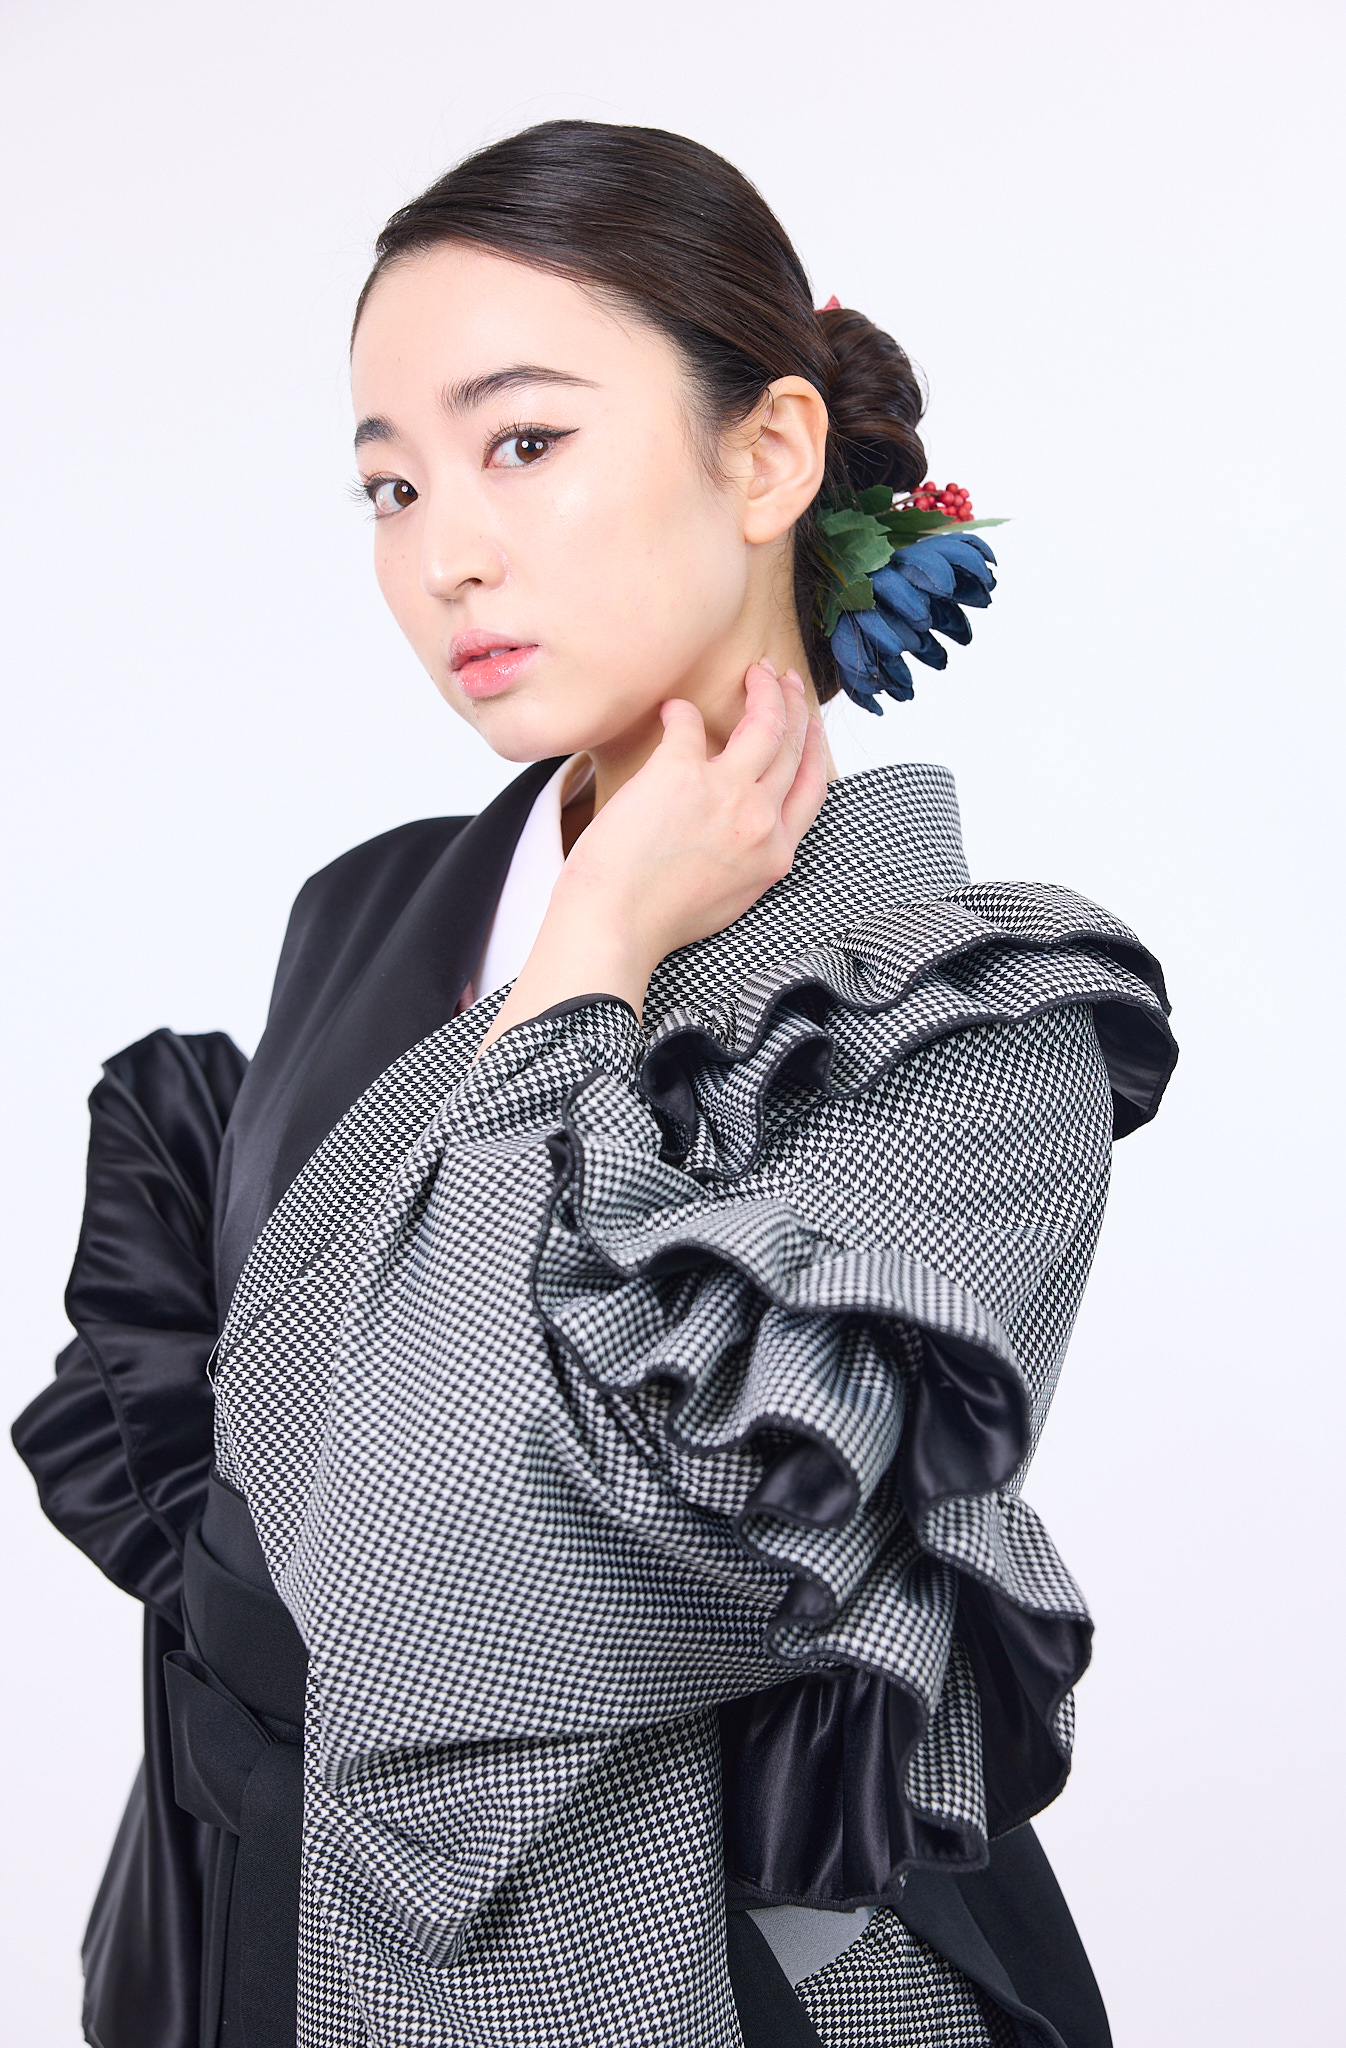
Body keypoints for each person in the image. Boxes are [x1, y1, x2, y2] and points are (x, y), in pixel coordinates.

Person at [13, 120, 1176, 2048]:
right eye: (389, 485)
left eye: (524, 441)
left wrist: (593, 957)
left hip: (722, 1982)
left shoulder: (977, 1014)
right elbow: (238, 1570)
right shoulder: (364, 917)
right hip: (263, 1953)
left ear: (769, 456)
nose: (442, 553)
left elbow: (458, 1567)